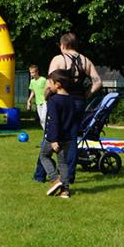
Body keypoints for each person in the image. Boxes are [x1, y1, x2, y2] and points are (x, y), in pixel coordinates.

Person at [34, 33, 102, 183]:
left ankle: (40, 175)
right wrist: (85, 95)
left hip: (60, 101)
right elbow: (97, 82)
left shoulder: (59, 59)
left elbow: (49, 84)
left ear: (63, 45)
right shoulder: (86, 61)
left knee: (50, 136)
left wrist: (46, 97)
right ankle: (69, 177)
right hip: (78, 102)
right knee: (71, 139)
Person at [39, 69, 78, 199]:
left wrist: (54, 140)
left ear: (58, 84)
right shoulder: (71, 100)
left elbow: (54, 121)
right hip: (67, 138)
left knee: (44, 156)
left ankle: (55, 180)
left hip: (53, 138)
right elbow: (72, 120)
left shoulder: (54, 101)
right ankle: (65, 191)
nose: (48, 86)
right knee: (63, 164)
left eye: (50, 83)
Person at [26, 65, 48, 129]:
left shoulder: (43, 80)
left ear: (37, 72)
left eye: (33, 72)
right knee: (41, 120)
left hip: (45, 102)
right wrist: (29, 101)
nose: (31, 74)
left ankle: (49, 133)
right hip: (38, 102)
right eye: (30, 72)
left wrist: (47, 99)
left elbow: (48, 89)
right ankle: (46, 133)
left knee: (44, 118)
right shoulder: (32, 81)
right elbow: (33, 92)